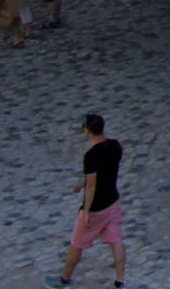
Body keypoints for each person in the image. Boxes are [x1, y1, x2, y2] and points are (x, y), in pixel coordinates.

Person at [47, 113, 124, 289]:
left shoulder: (91, 156)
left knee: (76, 244)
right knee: (116, 241)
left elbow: (92, 187)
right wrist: (83, 183)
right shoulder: (115, 146)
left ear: (87, 131)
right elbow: (107, 171)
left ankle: (64, 281)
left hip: (96, 208)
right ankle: (120, 282)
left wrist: (86, 211)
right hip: (112, 202)